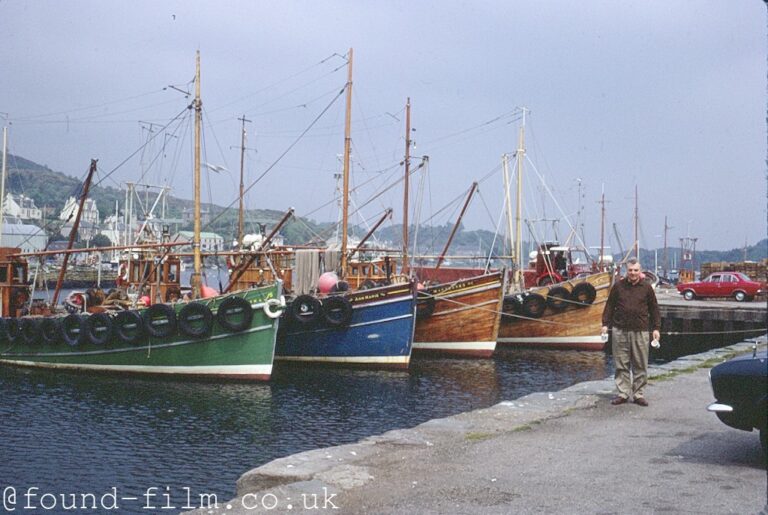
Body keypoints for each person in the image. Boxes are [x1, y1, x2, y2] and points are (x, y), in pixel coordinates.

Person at [601, 258, 661, 407]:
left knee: (640, 364)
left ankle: (638, 394)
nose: (633, 273)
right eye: (630, 270)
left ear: (640, 271)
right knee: (621, 364)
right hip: (620, 330)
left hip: (640, 331)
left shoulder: (646, 288)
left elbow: (654, 309)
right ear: (626, 271)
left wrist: (656, 328)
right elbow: (610, 306)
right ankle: (623, 393)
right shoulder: (618, 286)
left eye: (635, 270)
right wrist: (604, 324)